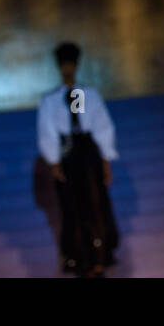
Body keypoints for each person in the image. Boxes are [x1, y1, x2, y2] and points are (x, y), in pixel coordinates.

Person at [37, 42, 120, 277]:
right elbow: (47, 130)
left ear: (76, 65)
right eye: (64, 64)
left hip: (88, 151)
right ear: (59, 66)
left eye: (71, 64)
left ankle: (100, 256)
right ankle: (78, 256)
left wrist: (106, 159)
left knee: (96, 204)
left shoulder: (88, 94)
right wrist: (54, 161)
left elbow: (102, 125)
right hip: (67, 153)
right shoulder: (51, 99)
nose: (68, 69)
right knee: (72, 206)